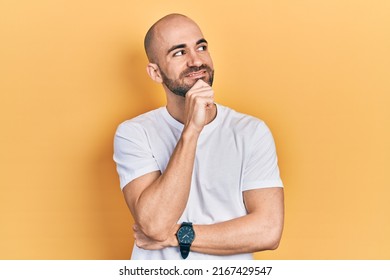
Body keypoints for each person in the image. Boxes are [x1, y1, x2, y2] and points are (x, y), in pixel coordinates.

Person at [113, 13, 284, 260]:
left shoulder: (251, 131)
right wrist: (192, 130)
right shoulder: (134, 133)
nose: (196, 61)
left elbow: (268, 231)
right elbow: (155, 223)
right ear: (155, 72)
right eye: (179, 53)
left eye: (201, 47)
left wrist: (177, 235)